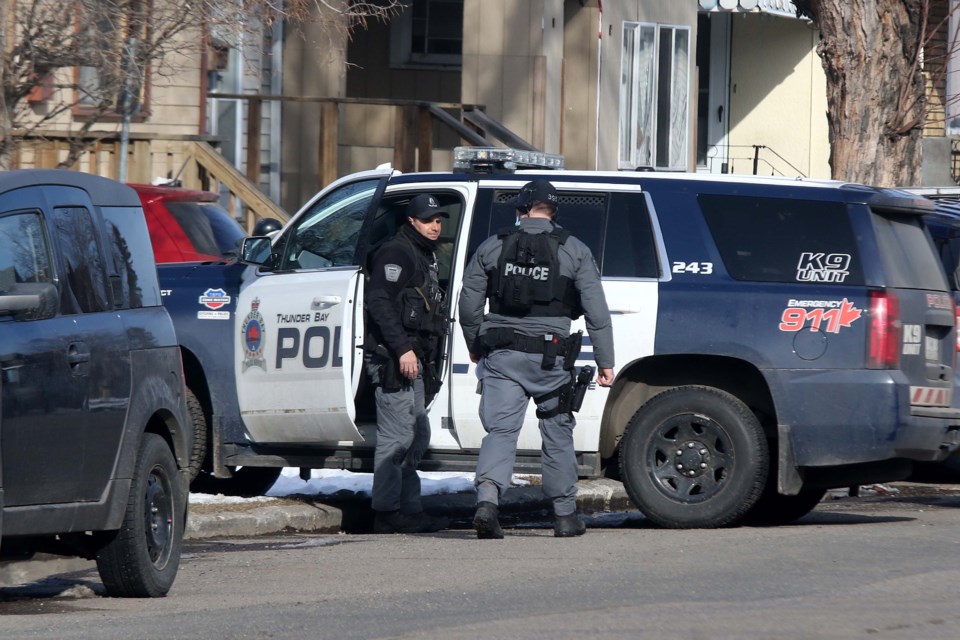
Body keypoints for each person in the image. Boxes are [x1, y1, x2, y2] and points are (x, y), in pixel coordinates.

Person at [458, 179, 615, 539]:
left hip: (502, 355)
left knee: (500, 431)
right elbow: (596, 312)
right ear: (553, 211)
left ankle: (487, 502)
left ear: (521, 210)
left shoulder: (492, 246)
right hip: (550, 361)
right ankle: (564, 516)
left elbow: (469, 305)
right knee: (556, 433)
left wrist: (475, 343)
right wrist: (606, 361)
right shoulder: (574, 249)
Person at [364, 193, 450, 534]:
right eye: (428, 220)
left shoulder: (423, 253)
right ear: (412, 221)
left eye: (439, 220)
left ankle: (410, 509)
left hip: (414, 360)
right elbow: (379, 302)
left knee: (417, 434)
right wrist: (401, 349)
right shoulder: (396, 252)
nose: (435, 225)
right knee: (398, 437)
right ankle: (386, 512)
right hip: (393, 359)